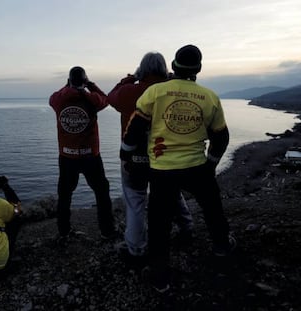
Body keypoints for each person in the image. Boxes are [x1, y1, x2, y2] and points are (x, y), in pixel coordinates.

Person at [121, 44, 236, 292]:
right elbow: (221, 137)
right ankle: (222, 247)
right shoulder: (210, 97)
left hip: (162, 170)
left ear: (173, 66)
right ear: (199, 69)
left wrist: (125, 154)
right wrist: (211, 164)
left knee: (159, 224)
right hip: (196, 167)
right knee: (213, 208)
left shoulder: (155, 93)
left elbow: (135, 129)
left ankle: (160, 278)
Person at [107, 52, 193, 263]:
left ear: (141, 70)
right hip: (165, 159)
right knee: (173, 193)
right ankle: (186, 226)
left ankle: (136, 248)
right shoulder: (172, 91)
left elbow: (110, 97)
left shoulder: (129, 92)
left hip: (134, 159)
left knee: (135, 201)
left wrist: (129, 78)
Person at [49, 66, 116, 240]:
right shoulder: (91, 99)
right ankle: (107, 231)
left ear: (69, 80)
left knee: (64, 195)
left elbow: (52, 97)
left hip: (66, 157)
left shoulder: (59, 100)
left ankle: (63, 232)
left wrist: (67, 86)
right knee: (102, 192)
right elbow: (106, 99)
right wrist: (90, 85)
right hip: (90, 156)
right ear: (84, 80)